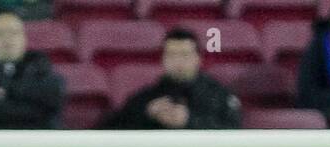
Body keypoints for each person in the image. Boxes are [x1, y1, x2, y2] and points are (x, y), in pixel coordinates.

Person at [100, 28, 242, 131]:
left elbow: (235, 132)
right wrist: (147, 115)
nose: (178, 61)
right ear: (163, 59)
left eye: (185, 54)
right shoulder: (146, 98)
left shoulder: (217, 95)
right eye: (172, 55)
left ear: (198, 58)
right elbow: (107, 131)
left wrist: (189, 120)